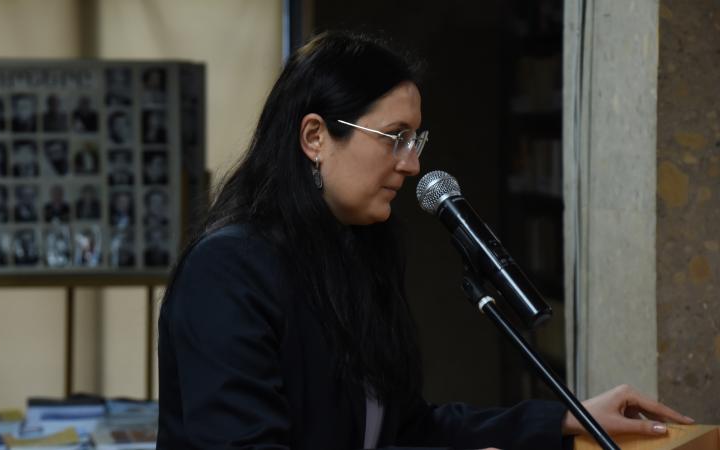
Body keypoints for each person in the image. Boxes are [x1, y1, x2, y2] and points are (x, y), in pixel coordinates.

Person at [156, 31, 693, 450]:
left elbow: (406, 429)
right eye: (395, 138)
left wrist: (565, 418)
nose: (412, 164)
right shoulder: (228, 271)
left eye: (415, 140)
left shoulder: (357, 255)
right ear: (315, 137)